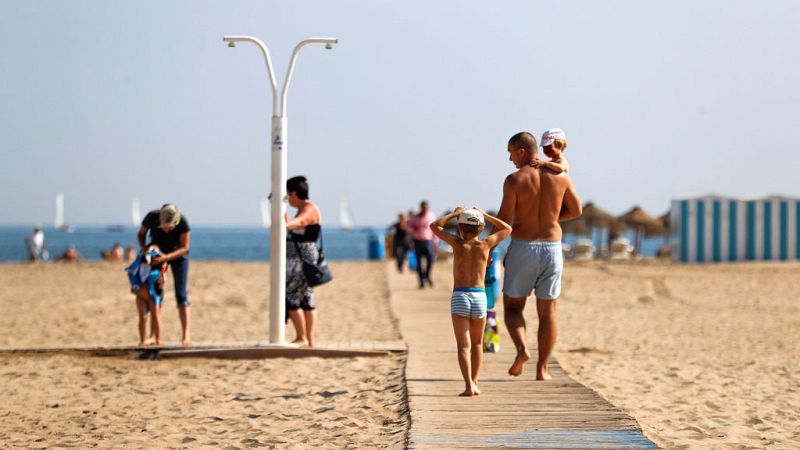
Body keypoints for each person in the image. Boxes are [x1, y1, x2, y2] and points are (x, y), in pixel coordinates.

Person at [497, 131, 582, 380]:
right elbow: (576, 210)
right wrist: (553, 218)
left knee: (513, 307)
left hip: (524, 247)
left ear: (521, 151)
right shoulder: (561, 177)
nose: (510, 158)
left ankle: (522, 349)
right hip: (553, 248)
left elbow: (504, 220)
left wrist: (488, 248)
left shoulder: (514, 180)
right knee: (549, 312)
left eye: (511, 152)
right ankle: (542, 370)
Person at [430, 207, 511, 396]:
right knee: (477, 344)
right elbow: (507, 228)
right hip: (479, 297)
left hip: (460, 296)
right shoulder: (485, 244)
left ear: (459, 228)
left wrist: (455, 214)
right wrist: (485, 215)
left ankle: (468, 385)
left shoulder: (457, 243)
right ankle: (475, 382)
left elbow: (434, 226)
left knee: (463, 346)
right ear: (481, 228)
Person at [137, 203, 192, 346]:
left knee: (181, 294)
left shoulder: (183, 222)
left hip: (178, 256)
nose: (167, 230)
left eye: (171, 227)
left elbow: (185, 248)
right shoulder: (152, 217)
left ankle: (186, 336)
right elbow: (141, 234)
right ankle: (153, 336)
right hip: (157, 254)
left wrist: (166, 258)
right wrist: (145, 250)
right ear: (160, 220)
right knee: (155, 293)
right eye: (164, 226)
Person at [284, 175, 323, 348]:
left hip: (302, 259)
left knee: (293, 296)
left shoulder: (308, 209)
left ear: (293, 194)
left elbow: (298, 223)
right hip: (300, 258)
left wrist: (284, 218)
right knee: (306, 298)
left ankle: (302, 337)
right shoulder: (303, 208)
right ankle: (309, 339)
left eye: (287, 196)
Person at [126, 245, 168, 346]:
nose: (155, 261)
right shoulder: (140, 266)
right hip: (141, 295)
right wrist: (135, 287)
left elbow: (163, 278)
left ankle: (157, 339)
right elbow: (131, 274)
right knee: (143, 317)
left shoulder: (160, 268)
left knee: (156, 317)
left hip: (153, 295)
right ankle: (142, 340)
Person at [407, 200, 438, 288]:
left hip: (428, 241)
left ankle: (427, 275)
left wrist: (435, 243)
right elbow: (408, 228)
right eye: (423, 207)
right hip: (417, 241)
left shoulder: (431, 216)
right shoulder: (414, 217)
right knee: (419, 263)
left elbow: (434, 230)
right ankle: (421, 281)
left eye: (426, 207)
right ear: (421, 207)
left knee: (430, 260)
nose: (425, 209)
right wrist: (413, 229)